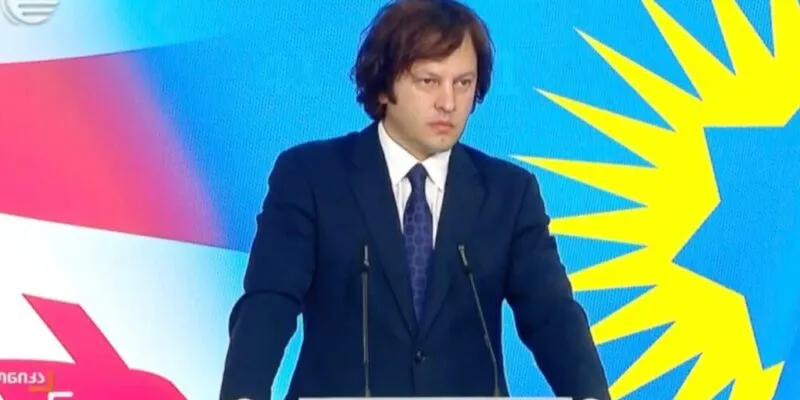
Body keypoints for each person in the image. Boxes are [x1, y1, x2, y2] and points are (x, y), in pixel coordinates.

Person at [219, 0, 610, 399]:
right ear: (384, 84)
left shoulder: (509, 193)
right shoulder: (311, 177)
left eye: (463, 83)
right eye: (428, 81)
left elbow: (552, 316)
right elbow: (269, 304)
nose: (448, 103)